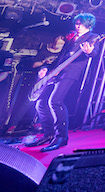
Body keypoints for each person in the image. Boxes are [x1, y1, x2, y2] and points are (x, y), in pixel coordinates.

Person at [24, 14, 99, 152]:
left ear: (88, 24)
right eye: (76, 23)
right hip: (57, 72)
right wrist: (46, 69)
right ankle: (48, 135)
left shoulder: (93, 37)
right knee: (40, 103)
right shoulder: (72, 37)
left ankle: (61, 137)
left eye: (81, 23)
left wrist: (89, 51)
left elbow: (94, 53)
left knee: (55, 101)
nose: (78, 26)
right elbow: (61, 57)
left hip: (70, 73)